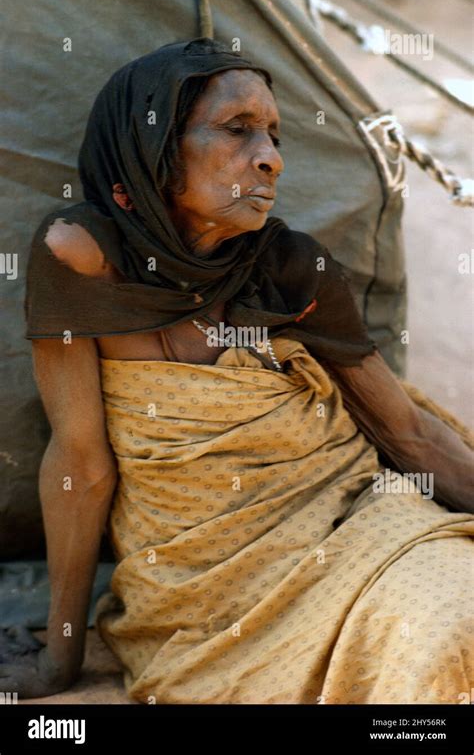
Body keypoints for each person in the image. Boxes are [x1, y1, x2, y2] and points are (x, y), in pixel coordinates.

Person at [1, 38, 472, 704]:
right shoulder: (80, 256)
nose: (272, 158)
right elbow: (81, 462)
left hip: (356, 528)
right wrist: (62, 660)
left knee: (454, 632)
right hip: (195, 591)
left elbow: (409, 436)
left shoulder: (290, 267)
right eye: (237, 129)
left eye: (275, 134)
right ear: (152, 150)